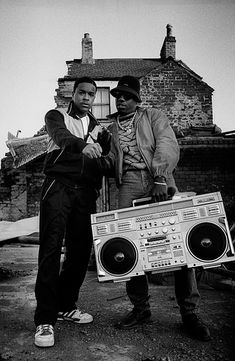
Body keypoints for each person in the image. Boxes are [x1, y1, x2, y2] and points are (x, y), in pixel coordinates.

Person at [106, 75, 211, 341]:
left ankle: (189, 313)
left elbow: (167, 142)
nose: (121, 99)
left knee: (179, 245)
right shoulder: (112, 127)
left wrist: (161, 177)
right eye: (118, 95)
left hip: (158, 180)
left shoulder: (152, 115)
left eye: (127, 96)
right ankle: (141, 310)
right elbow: (109, 159)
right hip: (128, 183)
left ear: (137, 99)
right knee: (129, 248)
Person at [34, 76, 111, 347]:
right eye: (83, 92)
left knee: (80, 252)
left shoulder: (99, 127)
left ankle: (65, 306)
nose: (88, 97)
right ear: (74, 94)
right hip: (58, 186)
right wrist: (84, 146)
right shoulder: (56, 116)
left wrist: (104, 152)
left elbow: (106, 158)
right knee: (51, 249)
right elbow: (62, 137)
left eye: (92, 94)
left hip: (85, 193)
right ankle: (44, 319)